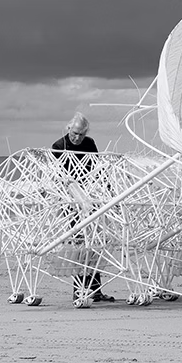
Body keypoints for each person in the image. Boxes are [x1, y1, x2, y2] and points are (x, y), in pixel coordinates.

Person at [52, 112, 114, 303]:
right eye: (75, 133)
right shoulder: (58, 147)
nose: (77, 138)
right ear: (68, 129)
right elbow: (59, 177)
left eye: (81, 134)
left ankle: (96, 290)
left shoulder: (89, 143)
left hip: (91, 198)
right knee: (80, 245)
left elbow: (97, 168)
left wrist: (108, 190)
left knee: (94, 244)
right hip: (72, 202)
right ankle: (79, 290)